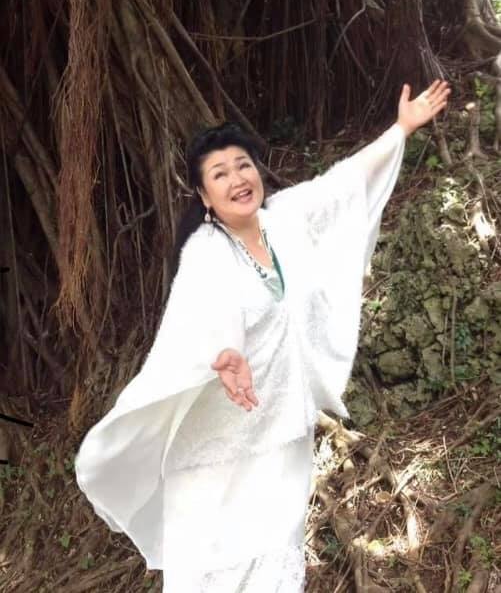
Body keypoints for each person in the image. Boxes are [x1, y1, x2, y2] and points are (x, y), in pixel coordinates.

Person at [75, 80, 450, 591]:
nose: (237, 179)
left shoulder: (284, 221)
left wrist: (400, 129)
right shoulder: (205, 252)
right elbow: (209, 310)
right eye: (220, 173)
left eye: (243, 165)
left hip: (281, 432)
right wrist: (227, 351)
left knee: (275, 559)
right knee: (214, 568)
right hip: (218, 443)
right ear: (204, 196)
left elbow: (343, 183)